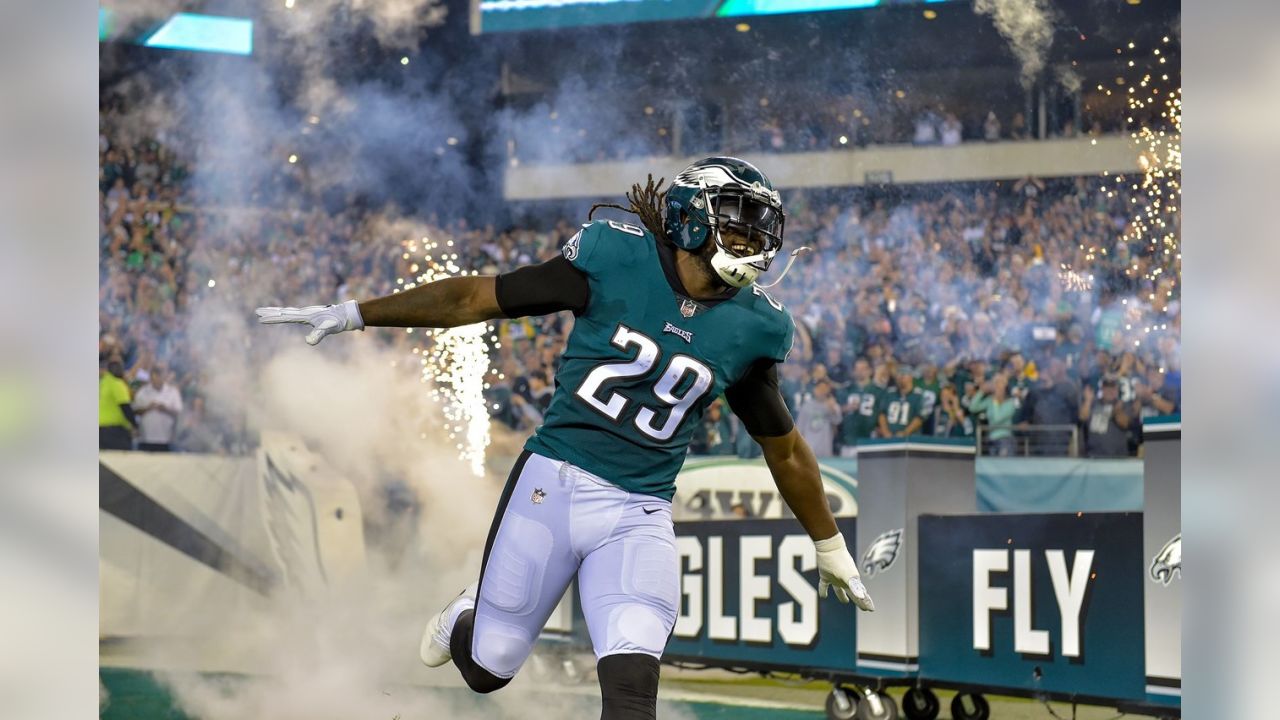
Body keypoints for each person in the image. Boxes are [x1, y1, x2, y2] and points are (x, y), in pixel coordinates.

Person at [256, 157, 874, 720]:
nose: (749, 244)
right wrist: (357, 312)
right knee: (488, 669)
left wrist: (827, 542)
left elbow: (783, 446)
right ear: (689, 223)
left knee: (632, 696)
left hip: (641, 511)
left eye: (755, 230)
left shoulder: (753, 326)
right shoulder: (615, 258)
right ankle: (466, 618)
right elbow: (476, 297)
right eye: (734, 227)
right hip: (554, 483)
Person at [132, 364, 184, 451]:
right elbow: (135, 411)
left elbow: (178, 412)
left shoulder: (172, 392)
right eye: (152, 379)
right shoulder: (142, 392)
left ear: (162, 378)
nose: (155, 382)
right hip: (146, 438)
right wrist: (147, 408)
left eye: (157, 379)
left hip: (166, 439)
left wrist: (165, 409)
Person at [1080, 376, 1132, 458]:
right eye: (1107, 388)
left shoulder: (1123, 405)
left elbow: (1124, 423)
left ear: (1117, 390)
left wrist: (1117, 411)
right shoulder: (1093, 403)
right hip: (1093, 455)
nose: (1110, 391)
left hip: (1117, 458)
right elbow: (1083, 417)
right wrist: (1088, 401)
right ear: (1102, 389)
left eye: (1113, 388)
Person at [796, 379, 841, 457]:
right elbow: (799, 429)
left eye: (824, 389)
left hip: (825, 449)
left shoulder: (833, 405)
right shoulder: (806, 406)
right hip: (808, 449)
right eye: (820, 388)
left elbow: (837, 421)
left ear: (828, 391)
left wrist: (832, 409)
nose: (822, 391)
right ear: (814, 390)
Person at [98, 358, 135, 450]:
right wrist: (135, 425)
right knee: (120, 460)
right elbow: (125, 406)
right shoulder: (117, 383)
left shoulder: (103, 383)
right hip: (115, 431)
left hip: (101, 429)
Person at [878, 369, 924, 438]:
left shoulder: (918, 395)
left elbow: (919, 418)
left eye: (903, 375)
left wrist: (905, 432)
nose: (900, 378)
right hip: (888, 437)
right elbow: (882, 414)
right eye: (898, 376)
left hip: (909, 439)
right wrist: (885, 432)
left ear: (910, 377)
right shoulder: (889, 393)